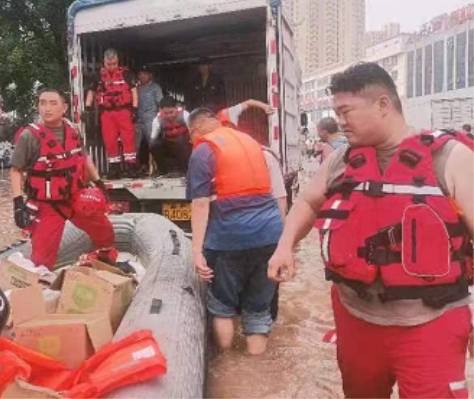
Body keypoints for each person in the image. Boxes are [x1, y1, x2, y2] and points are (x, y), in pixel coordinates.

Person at [268, 63, 473, 399]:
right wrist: (284, 246)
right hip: (356, 318)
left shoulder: (451, 158)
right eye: (336, 113)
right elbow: (307, 201)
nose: (340, 121)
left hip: (432, 323)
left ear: (383, 104)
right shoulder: (341, 161)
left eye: (346, 111)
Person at [187, 108, 284, 355]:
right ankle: (256, 369)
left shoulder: (204, 150)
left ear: (195, 129)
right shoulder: (251, 142)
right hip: (270, 236)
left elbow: (200, 203)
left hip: (228, 238)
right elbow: (277, 195)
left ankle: (229, 365)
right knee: (258, 310)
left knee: (222, 306)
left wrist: (196, 252)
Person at [10, 88, 114, 269]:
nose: (47, 108)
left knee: (104, 230)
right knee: (41, 259)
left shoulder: (73, 130)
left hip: (76, 197)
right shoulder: (29, 136)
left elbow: (84, 158)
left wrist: (99, 183)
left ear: (64, 108)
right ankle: (41, 281)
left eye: (53, 103)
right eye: (42, 103)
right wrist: (18, 203)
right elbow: (15, 170)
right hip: (47, 205)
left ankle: (104, 260)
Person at [85, 49, 139, 178]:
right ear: (104, 62)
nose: (111, 66)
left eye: (114, 64)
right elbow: (91, 92)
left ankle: (131, 167)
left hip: (124, 110)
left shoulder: (126, 74)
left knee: (128, 138)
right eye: (109, 64)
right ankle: (115, 169)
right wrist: (87, 108)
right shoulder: (98, 76)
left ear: (117, 61)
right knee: (109, 140)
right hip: (107, 113)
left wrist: (135, 109)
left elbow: (133, 91)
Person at [150, 97, 191, 175]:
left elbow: (194, 133)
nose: (169, 115)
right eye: (166, 113)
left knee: (180, 140)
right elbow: (152, 139)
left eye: (171, 112)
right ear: (160, 110)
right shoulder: (157, 120)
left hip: (185, 145)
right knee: (155, 144)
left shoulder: (186, 115)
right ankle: (162, 171)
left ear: (176, 108)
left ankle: (185, 170)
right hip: (169, 145)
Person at [135, 67, 163, 174]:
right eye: (141, 74)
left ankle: (155, 167)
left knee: (152, 143)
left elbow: (160, 104)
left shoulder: (155, 88)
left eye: (145, 74)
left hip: (151, 118)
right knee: (137, 145)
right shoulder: (136, 88)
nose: (142, 76)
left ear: (150, 75)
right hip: (138, 119)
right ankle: (140, 167)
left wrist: (159, 119)